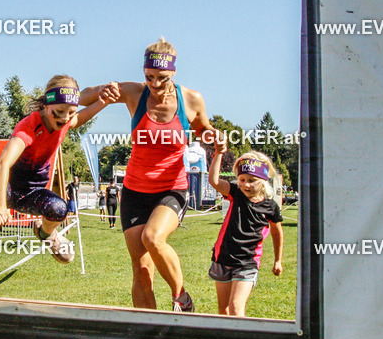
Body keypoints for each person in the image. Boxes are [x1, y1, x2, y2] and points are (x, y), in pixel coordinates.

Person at [80, 38, 216, 312]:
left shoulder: (190, 99)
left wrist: (216, 138)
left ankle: (181, 298)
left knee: (153, 238)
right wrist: (101, 92)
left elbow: (205, 131)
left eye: (162, 78)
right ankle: (148, 332)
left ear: (174, 73)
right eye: (149, 76)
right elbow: (82, 96)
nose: (155, 84)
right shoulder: (134, 92)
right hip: (134, 191)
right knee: (141, 268)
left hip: (172, 189)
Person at [0, 76, 119, 280]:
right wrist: (1, 206)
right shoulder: (29, 126)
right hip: (9, 182)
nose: (64, 118)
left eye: (70, 112)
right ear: (46, 105)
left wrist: (104, 102)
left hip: (33, 191)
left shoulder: (65, 119)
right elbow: (3, 164)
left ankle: (46, 233)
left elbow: (79, 119)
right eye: (58, 113)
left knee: (60, 210)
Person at [207, 141, 283, 316]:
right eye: (242, 180)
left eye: (251, 181)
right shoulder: (235, 193)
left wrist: (278, 260)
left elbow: (277, 232)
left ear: (263, 181)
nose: (246, 185)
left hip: (247, 262)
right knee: (224, 310)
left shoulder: (270, 207)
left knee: (235, 306)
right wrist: (218, 153)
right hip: (223, 258)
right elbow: (214, 180)